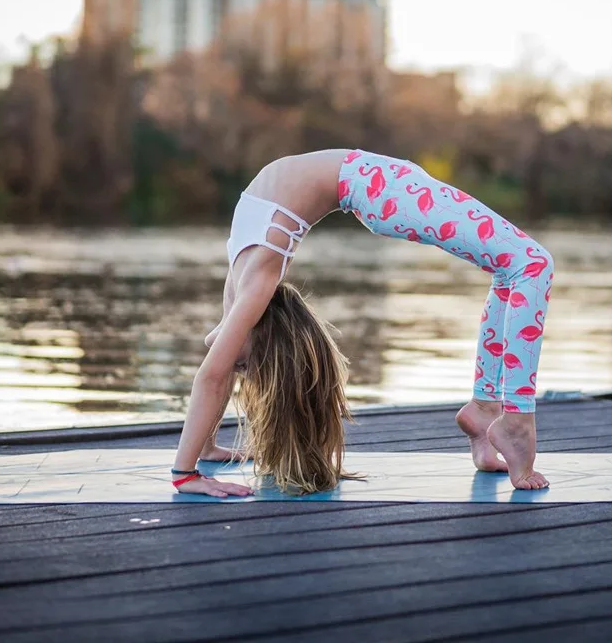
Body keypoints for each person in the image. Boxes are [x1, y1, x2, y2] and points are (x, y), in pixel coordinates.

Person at [170, 149, 553, 498]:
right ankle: (507, 417)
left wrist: (188, 469)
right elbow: (216, 374)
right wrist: (197, 458)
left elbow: (212, 377)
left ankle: (493, 411)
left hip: (379, 186)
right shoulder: (247, 287)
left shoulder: (252, 286)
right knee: (529, 265)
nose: (239, 369)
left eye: (244, 366)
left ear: (263, 333)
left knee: (522, 267)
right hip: (377, 184)